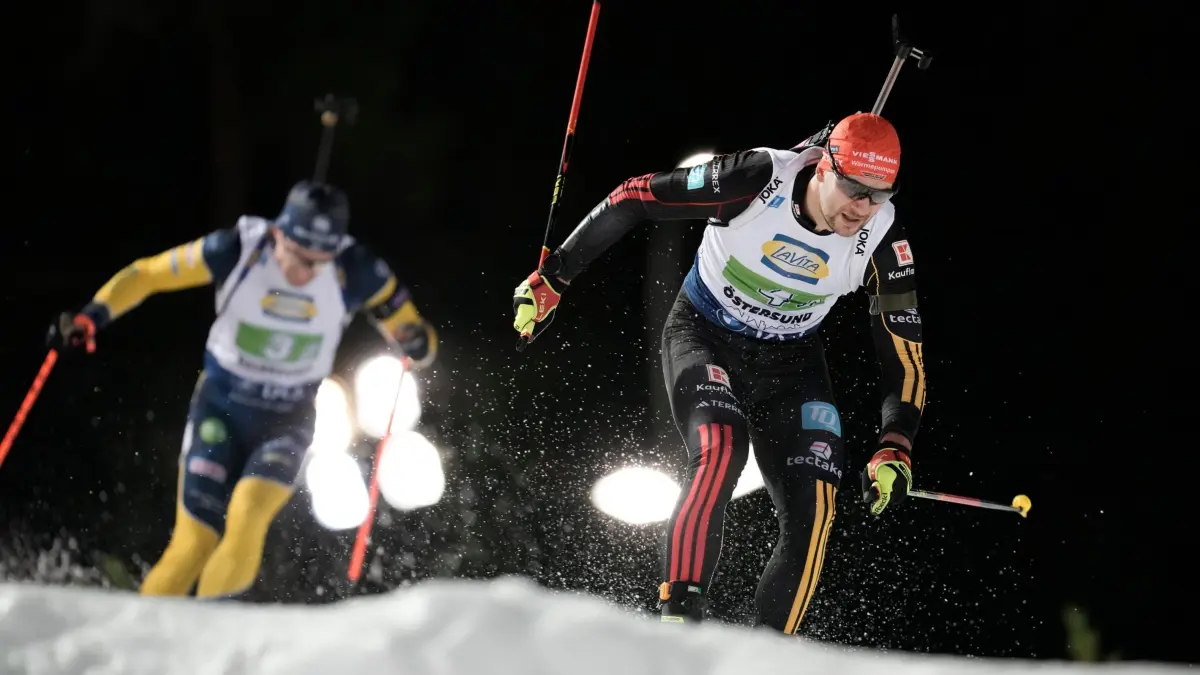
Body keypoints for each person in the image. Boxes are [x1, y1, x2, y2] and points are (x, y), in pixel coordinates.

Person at [512, 113, 926, 633]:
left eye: (878, 194)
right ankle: (679, 623)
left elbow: (903, 354)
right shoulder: (756, 179)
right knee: (722, 447)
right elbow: (636, 195)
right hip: (706, 333)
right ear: (823, 166)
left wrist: (896, 442)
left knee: (818, 506)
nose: (862, 209)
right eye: (853, 188)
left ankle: (770, 657)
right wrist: (557, 274)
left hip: (790, 362)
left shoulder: (885, 240)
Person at [48, 181, 438, 599]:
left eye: (317, 263)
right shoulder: (237, 249)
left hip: (288, 419)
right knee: (194, 542)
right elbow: (148, 274)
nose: (304, 273)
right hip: (221, 407)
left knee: (249, 514)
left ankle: (203, 634)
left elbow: (420, 340)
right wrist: (91, 318)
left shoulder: (357, 268)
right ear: (278, 234)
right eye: (297, 257)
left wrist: (416, 341)